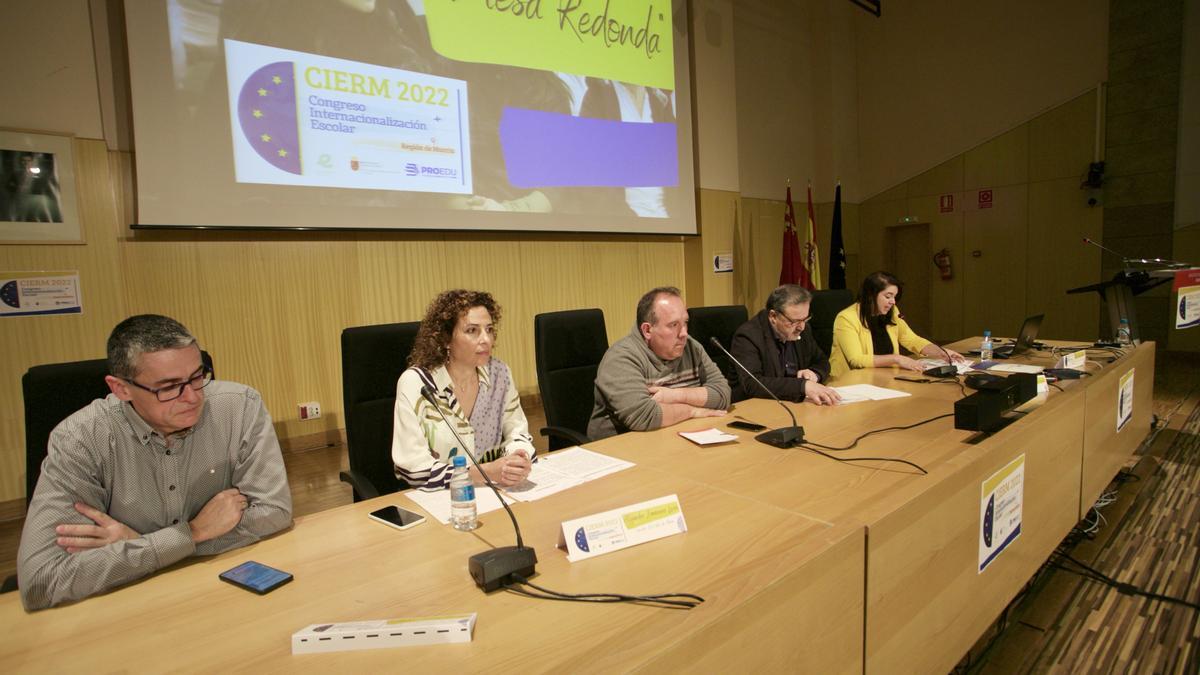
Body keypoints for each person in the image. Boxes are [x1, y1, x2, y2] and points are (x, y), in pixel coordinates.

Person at [17, 315, 293, 611]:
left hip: (220, 593)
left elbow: (274, 512)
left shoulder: (239, 406)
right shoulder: (80, 439)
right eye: (169, 387)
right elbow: (41, 580)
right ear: (121, 389)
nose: (192, 397)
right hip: (127, 606)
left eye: (198, 377)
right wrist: (194, 533)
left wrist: (139, 545)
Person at [392, 290, 534, 490]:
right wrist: (484, 472)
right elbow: (415, 471)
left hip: (496, 492)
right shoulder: (417, 384)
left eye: (489, 329)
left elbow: (518, 432)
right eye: (472, 330)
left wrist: (519, 457)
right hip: (437, 498)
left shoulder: (499, 373)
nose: (486, 339)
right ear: (445, 339)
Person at [589, 287, 731, 440]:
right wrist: (693, 411)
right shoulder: (621, 358)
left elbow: (723, 394)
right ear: (647, 330)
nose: (684, 333)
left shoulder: (692, 347)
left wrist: (674, 395)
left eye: (685, 323)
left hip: (676, 437)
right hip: (621, 448)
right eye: (673, 325)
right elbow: (644, 416)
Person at [829, 271, 965, 378]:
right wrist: (896, 359)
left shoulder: (892, 312)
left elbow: (911, 339)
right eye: (888, 297)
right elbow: (856, 360)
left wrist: (940, 352)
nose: (893, 302)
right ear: (871, 295)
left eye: (894, 297)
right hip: (849, 382)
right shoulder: (846, 318)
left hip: (884, 377)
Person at [730, 285, 841, 405]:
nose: (801, 327)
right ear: (773, 316)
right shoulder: (748, 336)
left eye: (805, 319)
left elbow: (822, 361)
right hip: (757, 407)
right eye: (794, 321)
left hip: (795, 404)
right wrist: (802, 386)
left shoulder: (803, 329)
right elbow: (753, 383)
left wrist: (814, 374)